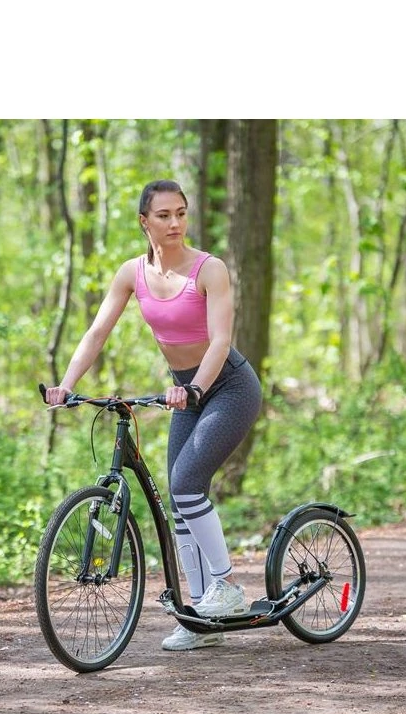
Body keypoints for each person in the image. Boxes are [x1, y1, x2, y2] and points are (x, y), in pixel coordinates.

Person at [44, 179, 262, 650]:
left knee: (185, 483)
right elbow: (97, 332)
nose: (175, 223)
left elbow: (221, 341)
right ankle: (199, 617)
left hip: (228, 387)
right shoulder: (132, 273)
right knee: (180, 500)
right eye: (164, 215)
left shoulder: (210, 270)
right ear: (145, 222)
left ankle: (226, 586)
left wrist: (196, 387)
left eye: (181, 213)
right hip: (185, 391)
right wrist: (67, 384)